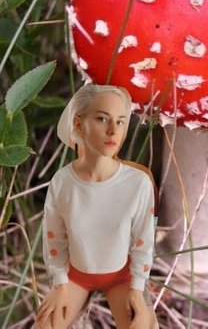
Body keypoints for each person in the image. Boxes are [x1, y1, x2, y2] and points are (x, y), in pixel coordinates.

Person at [36, 84, 159, 328]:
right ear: (79, 124)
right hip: (75, 275)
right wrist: (59, 283)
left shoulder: (138, 183)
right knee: (44, 326)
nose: (113, 130)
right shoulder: (62, 181)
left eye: (121, 121)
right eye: (102, 119)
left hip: (122, 276)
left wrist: (137, 288)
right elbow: (54, 237)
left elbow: (143, 240)